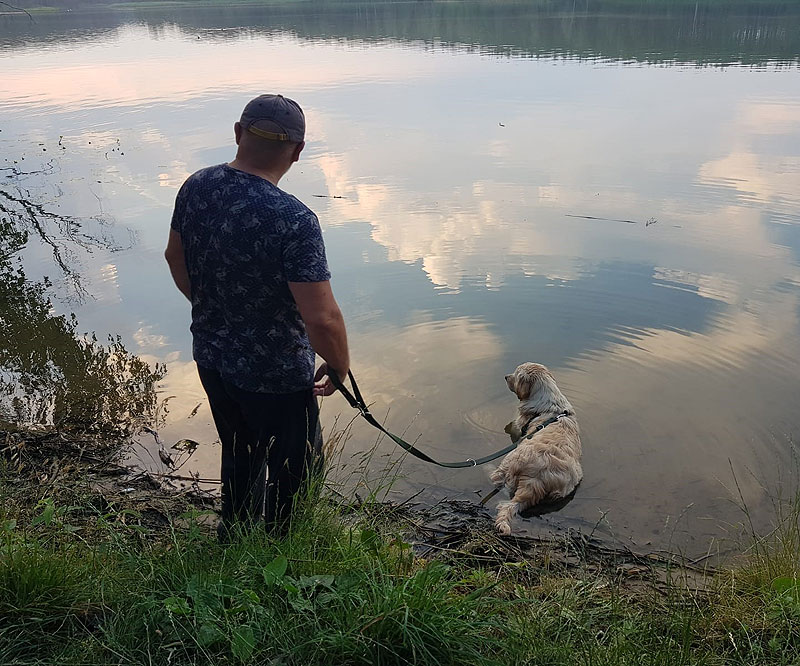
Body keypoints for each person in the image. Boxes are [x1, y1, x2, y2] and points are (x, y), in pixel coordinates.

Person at [165, 94, 349, 537]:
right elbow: (321, 317)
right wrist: (339, 364)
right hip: (276, 371)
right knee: (296, 466)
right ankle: (286, 549)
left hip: (212, 353)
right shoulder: (293, 219)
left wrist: (213, 308)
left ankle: (237, 537)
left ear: (238, 133)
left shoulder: (196, 186)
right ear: (298, 151)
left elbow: (174, 257)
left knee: (239, 450)